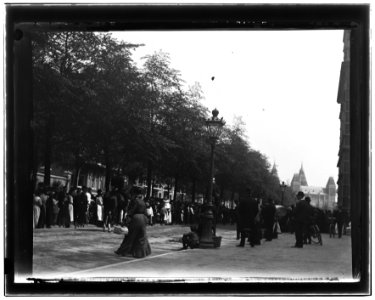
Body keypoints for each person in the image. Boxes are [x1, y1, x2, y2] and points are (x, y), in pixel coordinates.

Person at [115, 188, 152, 258]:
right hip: (143, 219)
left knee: (130, 235)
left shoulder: (135, 201)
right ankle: (142, 253)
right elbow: (146, 212)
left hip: (136, 218)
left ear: (135, 194)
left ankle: (124, 251)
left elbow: (131, 211)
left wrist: (126, 221)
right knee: (141, 236)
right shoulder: (143, 202)